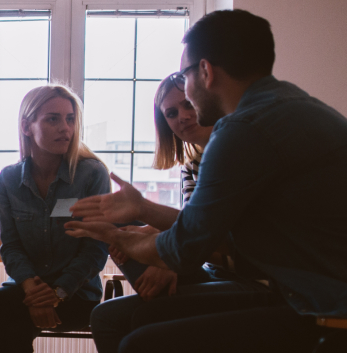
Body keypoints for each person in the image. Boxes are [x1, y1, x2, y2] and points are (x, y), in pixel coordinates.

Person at [66, 9, 347, 352]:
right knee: (131, 322)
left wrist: (119, 237)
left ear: (206, 71)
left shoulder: (243, 129)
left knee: (142, 343)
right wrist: (143, 218)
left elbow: (183, 250)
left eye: (184, 77)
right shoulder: (284, 107)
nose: (185, 98)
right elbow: (221, 236)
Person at [85, 73, 271, 353]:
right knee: (107, 307)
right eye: (171, 113)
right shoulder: (192, 165)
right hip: (213, 270)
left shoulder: (236, 152)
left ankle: (161, 300)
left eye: (187, 105)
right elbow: (194, 225)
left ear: (205, 101)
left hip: (255, 278)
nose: (182, 116)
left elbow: (219, 236)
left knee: (133, 317)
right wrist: (142, 236)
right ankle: (160, 294)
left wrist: (168, 260)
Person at [0, 85, 111, 353]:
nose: (65, 128)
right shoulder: (8, 181)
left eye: (70, 119)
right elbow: (11, 246)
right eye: (53, 119)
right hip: (27, 291)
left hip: (77, 293)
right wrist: (32, 291)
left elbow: (96, 248)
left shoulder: (92, 174)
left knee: (8, 316)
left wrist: (57, 293)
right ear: (27, 126)